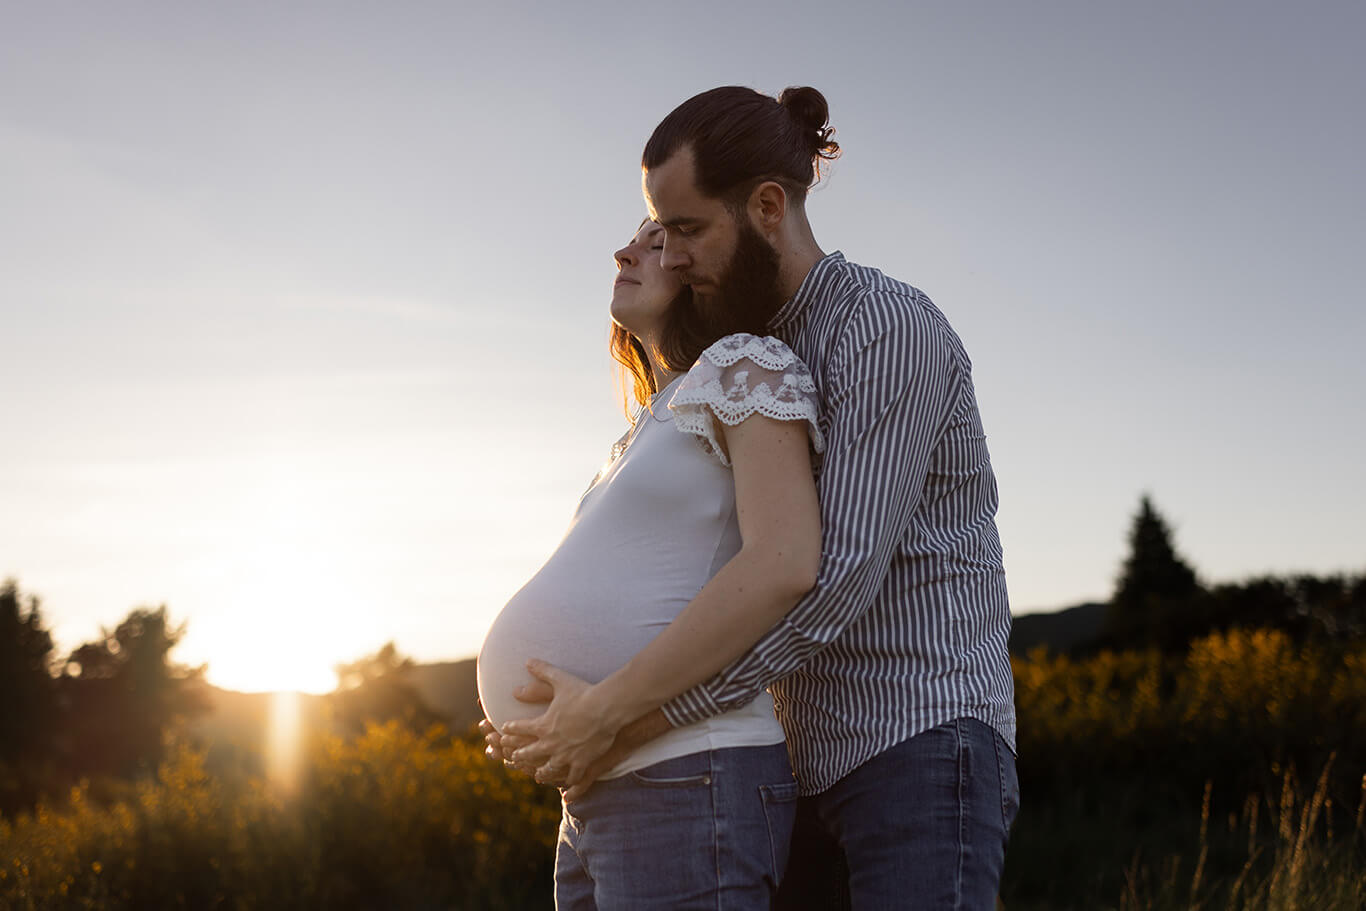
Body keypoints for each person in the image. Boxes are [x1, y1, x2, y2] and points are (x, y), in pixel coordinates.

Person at [494, 86, 1019, 909]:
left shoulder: (883, 327)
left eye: (688, 230)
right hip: (799, 757)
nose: (671, 255)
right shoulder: (754, 350)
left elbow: (829, 576)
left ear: (768, 205)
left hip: (915, 739)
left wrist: (632, 716)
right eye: (659, 232)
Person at [476, 217, 827, 909]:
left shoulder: (747, 364)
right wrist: (536, 728)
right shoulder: (648, 420)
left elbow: (785, 563)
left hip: (691, 775)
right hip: (595, 795)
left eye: (657, 238)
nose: (626, 250)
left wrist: (603, 706)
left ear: (702, 265)